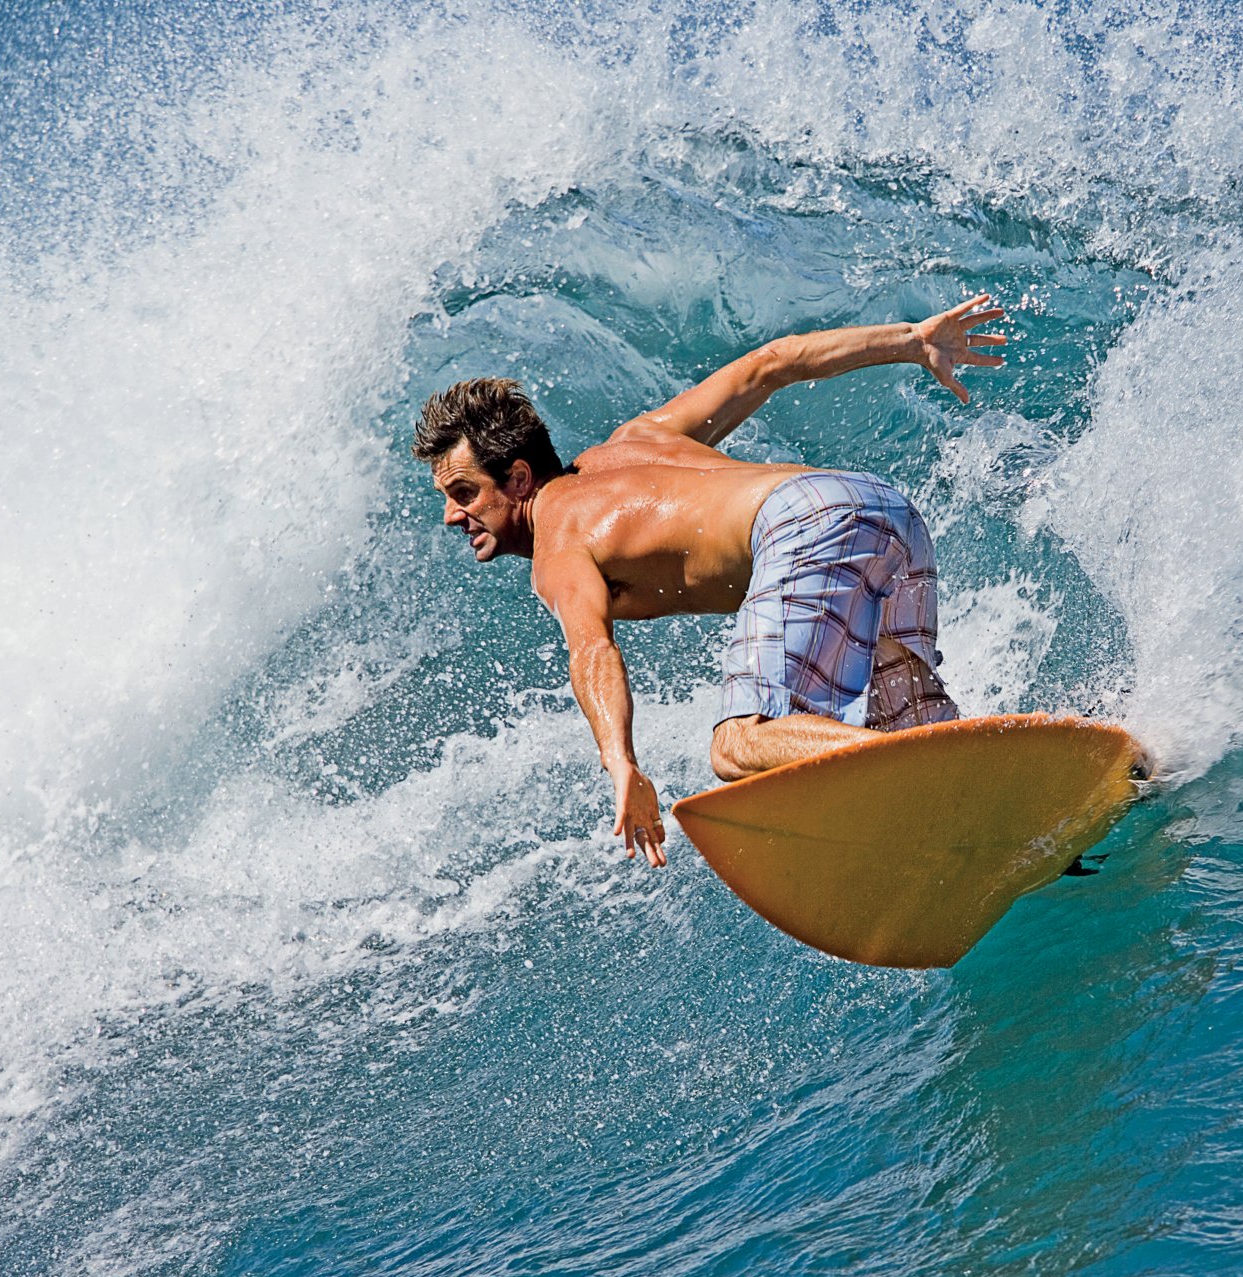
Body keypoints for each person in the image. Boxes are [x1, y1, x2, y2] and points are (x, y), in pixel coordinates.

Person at [412, 295, 1008, 868]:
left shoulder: (557, 539)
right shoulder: (637, 439)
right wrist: (912, 339)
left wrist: (621, 763)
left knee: (740, 744)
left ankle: (950, 775)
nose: (451, 515)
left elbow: (592, 650)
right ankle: (1005, 806)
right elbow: (769, 365)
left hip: (802, 524)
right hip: (879, 508)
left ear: (518, 479)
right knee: (899, 725)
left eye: (464, 494)